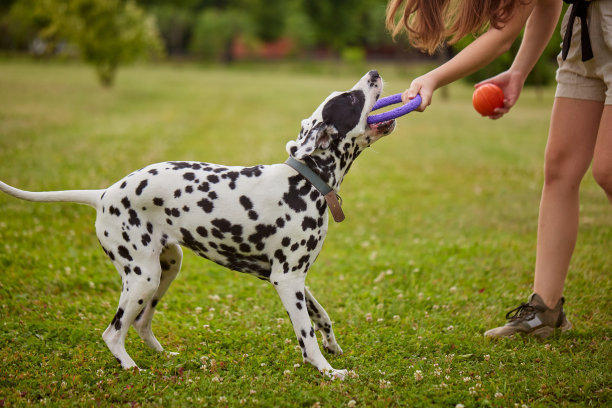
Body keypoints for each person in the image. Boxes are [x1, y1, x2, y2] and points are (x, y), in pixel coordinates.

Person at [386, 0, 611, 338]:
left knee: (607, 170)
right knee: (560, 169)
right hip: (583, 29)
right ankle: (546, 310)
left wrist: (432, 78)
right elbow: (546, 4)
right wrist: (519, 71)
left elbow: (503, 34)